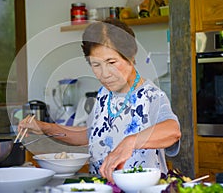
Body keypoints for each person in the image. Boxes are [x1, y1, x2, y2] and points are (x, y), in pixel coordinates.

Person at [18, 18, 181, 183]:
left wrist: (130, 142)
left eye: (111, 62)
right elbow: (90, 134)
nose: (104, 74)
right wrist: (44, 127)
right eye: (96, 65)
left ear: (130, 56)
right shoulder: (104, 94)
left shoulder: (151, 95)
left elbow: (172, 131)